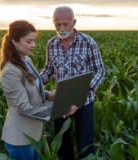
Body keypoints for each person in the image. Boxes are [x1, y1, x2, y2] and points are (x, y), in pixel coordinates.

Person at [0, 20, 78, 160]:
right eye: (29, 42)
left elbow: (33, 89)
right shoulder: (10, 71)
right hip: (20, 138)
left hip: (34, 133)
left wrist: (52, 95)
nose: (33, 45)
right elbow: (24, 107)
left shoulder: (27, 61)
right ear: (14, 42)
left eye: (34, 41)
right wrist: (58, 110)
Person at [39, 6, 106, 159]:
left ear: (74, 22)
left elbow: (100, 70)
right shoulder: (51, 44)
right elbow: (48, 69)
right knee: (62, 143)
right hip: (61, 101)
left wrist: (82, 91)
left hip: (84, 101)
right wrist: (35, 81)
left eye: (66, 24)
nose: (61, 28)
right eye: (58, 24)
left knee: (85, 143)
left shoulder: (88, 42)